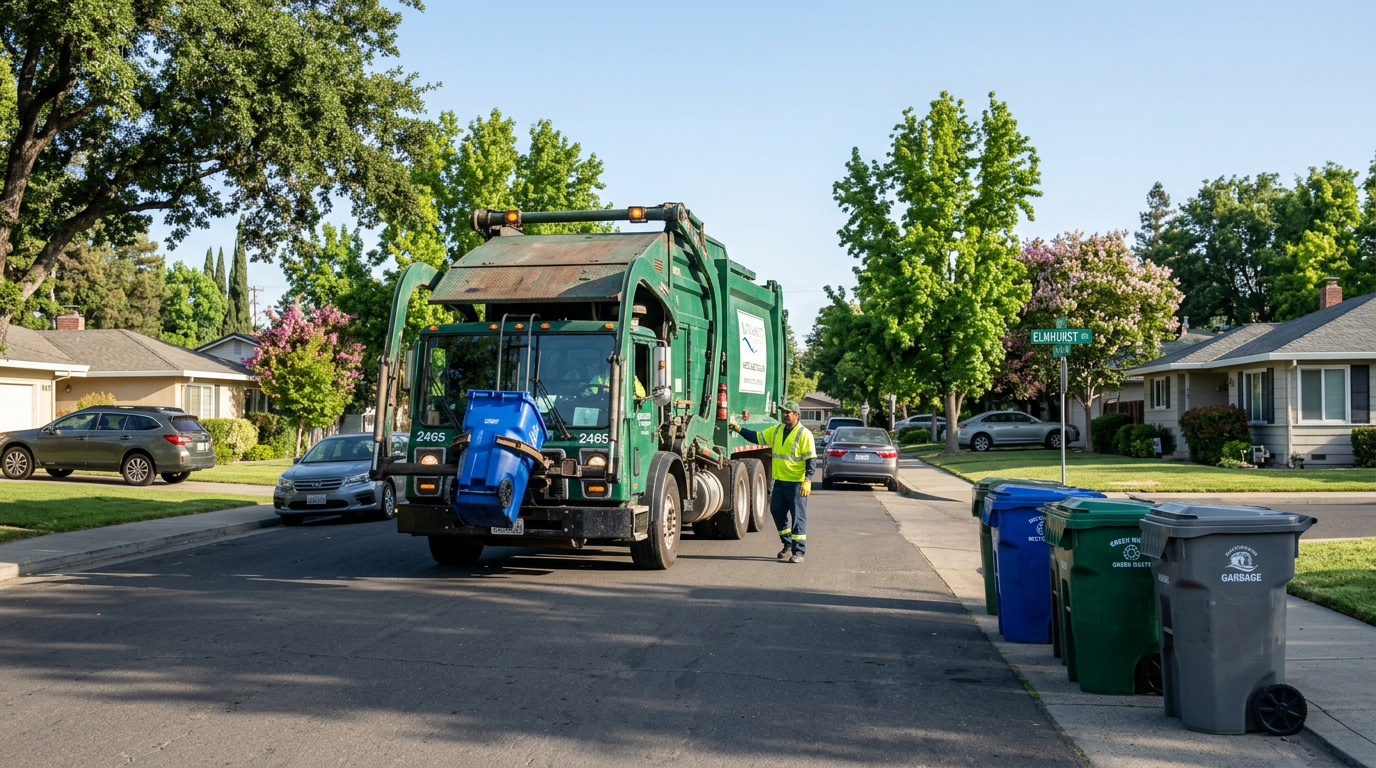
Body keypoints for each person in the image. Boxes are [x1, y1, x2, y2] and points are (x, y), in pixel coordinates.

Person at [729, 400, 816, 563]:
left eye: (788, 412)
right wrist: (739, 429)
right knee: (776, 511)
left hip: (796, 483)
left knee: (798, 517)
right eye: (783, 412)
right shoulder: (777, 430)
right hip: (780, 482)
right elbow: (757, 437)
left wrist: (808, 480)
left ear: (796, 415)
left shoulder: (805, 434)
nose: (784, 414)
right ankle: (788, 544)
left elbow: (811, 459)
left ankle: (799, 552)